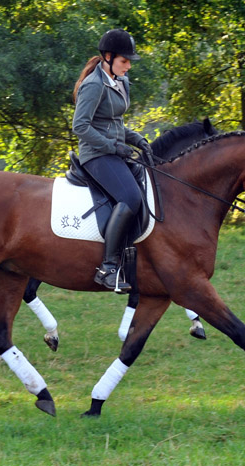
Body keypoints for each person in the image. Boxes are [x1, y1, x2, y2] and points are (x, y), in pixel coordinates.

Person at [72, 28, 152, 293]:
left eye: (129, 61)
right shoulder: (94, 85)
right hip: (96, 155)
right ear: (107, 57)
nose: (128, 66)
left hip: (114, 150)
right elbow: (80, 126)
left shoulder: (121, 81)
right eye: (124, 61)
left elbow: (115, 123)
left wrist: (137, 139)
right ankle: (107, 268)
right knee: (130, 197)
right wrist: (112, 147)